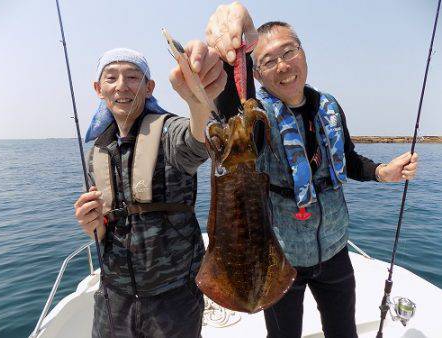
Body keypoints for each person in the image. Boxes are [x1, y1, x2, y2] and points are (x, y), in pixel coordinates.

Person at [206, 2, 419, 337]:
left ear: (303, 53)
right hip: (281, 257)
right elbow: (233, 112)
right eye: (268, 60)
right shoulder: (257, 116)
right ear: (258, 73)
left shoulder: (329, 106)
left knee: (343, 332)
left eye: (289, 51)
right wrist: (233, 43)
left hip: (335, 250)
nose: (282, 65)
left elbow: (346, 159)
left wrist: (382, 172)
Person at [73, 44, 226, 338]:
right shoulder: (97, 152)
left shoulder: (170, 131)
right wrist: (90, 224)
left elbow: (198, 141)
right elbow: (102, 227)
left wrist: (198, 101)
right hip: (113, 295)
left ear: (148, 87)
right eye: (111, 78)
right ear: (98, 88)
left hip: (173, 297)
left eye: (133, 77)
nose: (122, 86)